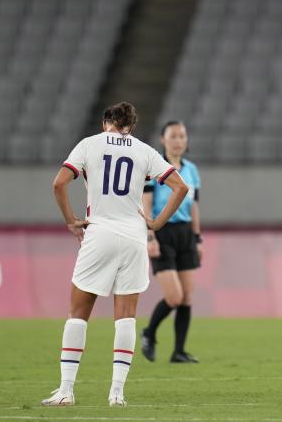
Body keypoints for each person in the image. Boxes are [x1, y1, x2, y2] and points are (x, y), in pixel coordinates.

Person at [43, 102, 188, 407]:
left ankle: (66, 390)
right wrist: (157, 222)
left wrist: (71, 220)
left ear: (105, 121)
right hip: (134, 236)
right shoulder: (144, 150)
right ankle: (117, 394)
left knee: (78, 314)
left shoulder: (89, 145)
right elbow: (180, 187)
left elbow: (59, 183)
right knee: (126, 319)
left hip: (99, 233)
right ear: (131, 127)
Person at [141, 121, 203, 364]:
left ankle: (178, 351)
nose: (179, 140)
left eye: (182, 136)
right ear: (163, 139)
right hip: (162, 232)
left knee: (187, 298)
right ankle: (149, 332)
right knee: (174, 297)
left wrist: (198, 238)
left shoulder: (191, 170)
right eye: (173, 136)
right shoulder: (155, 169)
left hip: (185, 233)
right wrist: (149, 235)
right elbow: (146, 202)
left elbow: (194, 206)